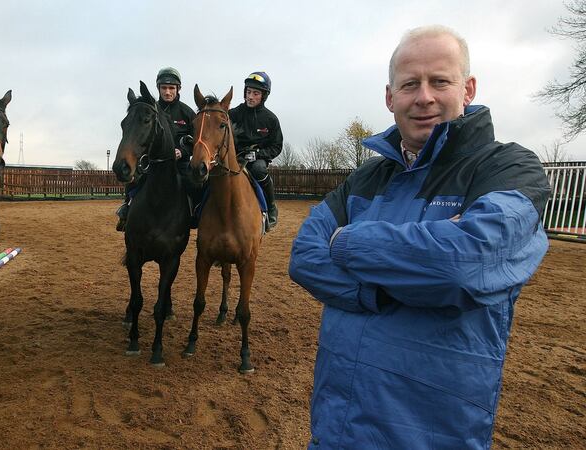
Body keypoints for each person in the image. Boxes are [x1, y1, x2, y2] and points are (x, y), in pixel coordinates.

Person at [289, 26, 550, 449]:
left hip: (431, 431)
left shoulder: (509, 169)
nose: (424, 96)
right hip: (336, 425)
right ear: (390, 97)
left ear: (467, 89)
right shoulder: (365, 177)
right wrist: (389, 286)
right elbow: (303, 257)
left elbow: (461, 266)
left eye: (439, 81)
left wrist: (346, 242)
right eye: (410, 84)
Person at [116, 67, 196, 231]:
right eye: (164, 88)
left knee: (194, 182)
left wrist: (183, 151)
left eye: (171, 88)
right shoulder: (149, 110)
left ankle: (195, 213)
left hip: (178, 163)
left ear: (178, 89)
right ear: (158, 88)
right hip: (152, 161)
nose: (167, 92)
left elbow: (196, 141)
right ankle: (127, 207)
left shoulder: (187, 113)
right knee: (135, 178)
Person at [229, 71, 283, 231]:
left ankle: (271, 206)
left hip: (256, 158)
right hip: (235, 155)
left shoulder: (271, 119)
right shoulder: (233, 114)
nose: (250, 96)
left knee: (259, 169)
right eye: (248, 92)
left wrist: (259, 155)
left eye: (256, 93)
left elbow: (276, 146)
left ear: (264, 96)